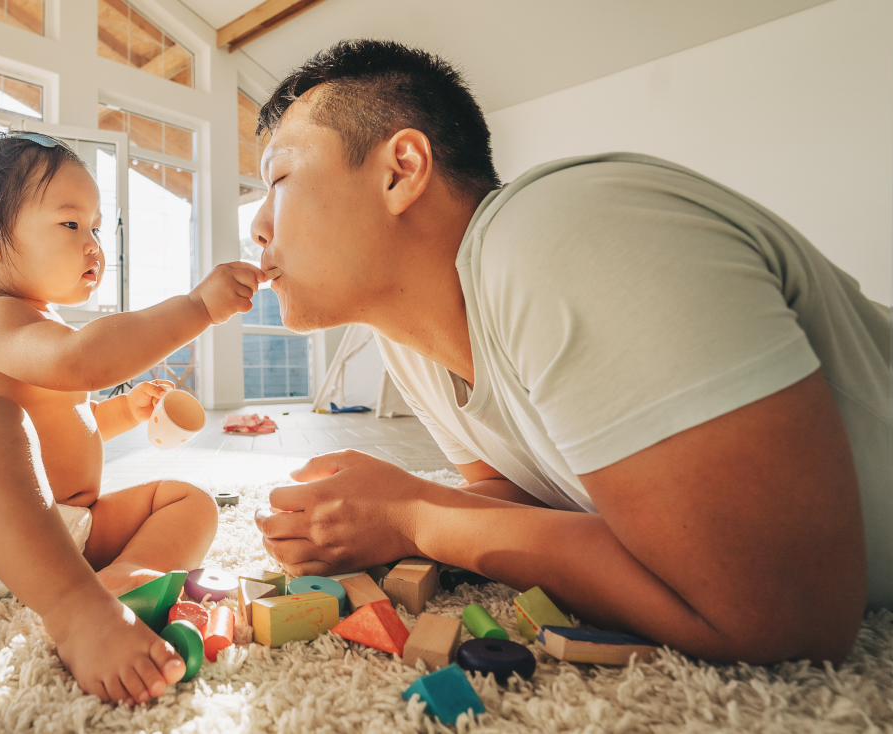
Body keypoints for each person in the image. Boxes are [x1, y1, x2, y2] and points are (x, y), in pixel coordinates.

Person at [249, 40, 891, 665]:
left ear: (401, 170)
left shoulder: (556, 233)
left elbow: (784, 610)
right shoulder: (410, 347)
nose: (257, 227)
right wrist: (384, 519)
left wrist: (418, 516)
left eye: (279, 177)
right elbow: (519, 490)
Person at [0, 131, 267, 704]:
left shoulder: (42, 330)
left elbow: (68, 416)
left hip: (68, 528)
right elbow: (79, 363)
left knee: (187, 501)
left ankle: (120, 582)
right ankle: (77, 612)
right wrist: (196, 308)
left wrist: (123, 410)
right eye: (71, 225)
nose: (94, 244)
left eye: (97, 226)